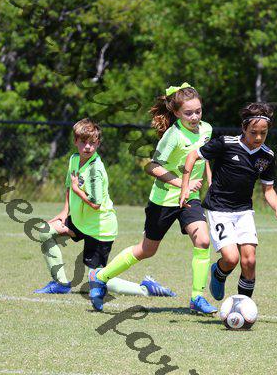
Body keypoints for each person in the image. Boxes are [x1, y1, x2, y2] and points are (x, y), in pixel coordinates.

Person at [88, 83, 217, 314]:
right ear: (176, 113)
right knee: (147, 250)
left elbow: (204, 156)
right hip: (164, 200)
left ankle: (197, 298)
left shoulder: (207, 129)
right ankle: (100, 276)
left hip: (190, 199)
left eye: (198, 111)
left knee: (203, 241)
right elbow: (152, 166)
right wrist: (182, 184)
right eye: (188, 113)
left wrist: (211, 181)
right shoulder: (173, 135)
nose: (195, 117)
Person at [35, 118, 173, 299]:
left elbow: (95, 204)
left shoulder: (96, 170)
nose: (87, 147)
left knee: (98, 279)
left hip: (100, 228)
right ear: (75, 141)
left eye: (92, 143)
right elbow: (70, 185)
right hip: (79, 221)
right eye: (83, 142)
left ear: (98, 143)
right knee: (45, 232)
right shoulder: (74, 159)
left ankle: (146, 289)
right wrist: (64, 211)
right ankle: (60, 284)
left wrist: (77, 189)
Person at [179, 102, 277, 302]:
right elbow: (193, 155)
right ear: (244, 128)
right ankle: (218, 272)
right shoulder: (226, 144)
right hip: (218, 209)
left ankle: (242, 305)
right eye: (253, 132)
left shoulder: (267, 156)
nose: (258, 137)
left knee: (250, 261)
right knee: (231, 259)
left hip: (244, 211)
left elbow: (268, 189)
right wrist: (185, 186)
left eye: (263, 133)